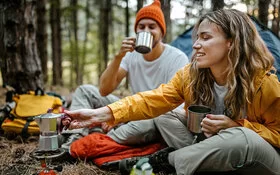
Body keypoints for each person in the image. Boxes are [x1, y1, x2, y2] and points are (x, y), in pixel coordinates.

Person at [63, 9, 280, 175]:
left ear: (231, 42)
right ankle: (193, 162)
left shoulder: (264, 84)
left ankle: (162, 163)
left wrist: (238, 125)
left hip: (258, 160)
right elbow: (153, 99)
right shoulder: (192, 75)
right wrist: (100, 114)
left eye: (205, 38)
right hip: (209, 149)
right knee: (164, 114)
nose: (195, 45)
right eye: (197, 38)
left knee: (241, 138)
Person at [60, 0, 189, 150]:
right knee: (85, 90)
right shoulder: (131, 55)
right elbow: (104, 90)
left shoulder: (177, 58)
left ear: (161, 31)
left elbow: (175, 107)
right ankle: (75, 137)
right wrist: (118, 57)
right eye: (141, 27)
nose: (146, 31)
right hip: (129, 108)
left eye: (152, 27)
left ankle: (99, 136)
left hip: (153, 116)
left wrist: (114, 118)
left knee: (144, 127)